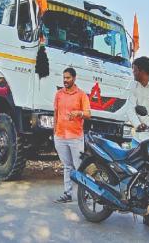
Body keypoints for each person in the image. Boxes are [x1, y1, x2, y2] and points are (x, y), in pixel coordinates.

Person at [54, 67, 91, 203]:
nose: (65, 80)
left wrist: (78, 113)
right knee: (67, 166)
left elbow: (88, 114)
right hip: (60, 136)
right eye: (64, 78)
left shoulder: (81, 95)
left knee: (79, 166)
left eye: (68, 78)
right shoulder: (59, 94)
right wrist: (54, 132)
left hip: (75, 137)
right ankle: (67, 194)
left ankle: (86, 194)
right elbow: (56, 113)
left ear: (74, 78)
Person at [127, 56, 149, 141]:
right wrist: (138, 125)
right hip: (138, 138)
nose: (133, 72)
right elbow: (130, 109)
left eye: (134, 70)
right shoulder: (133, 85)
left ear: (142, 71)